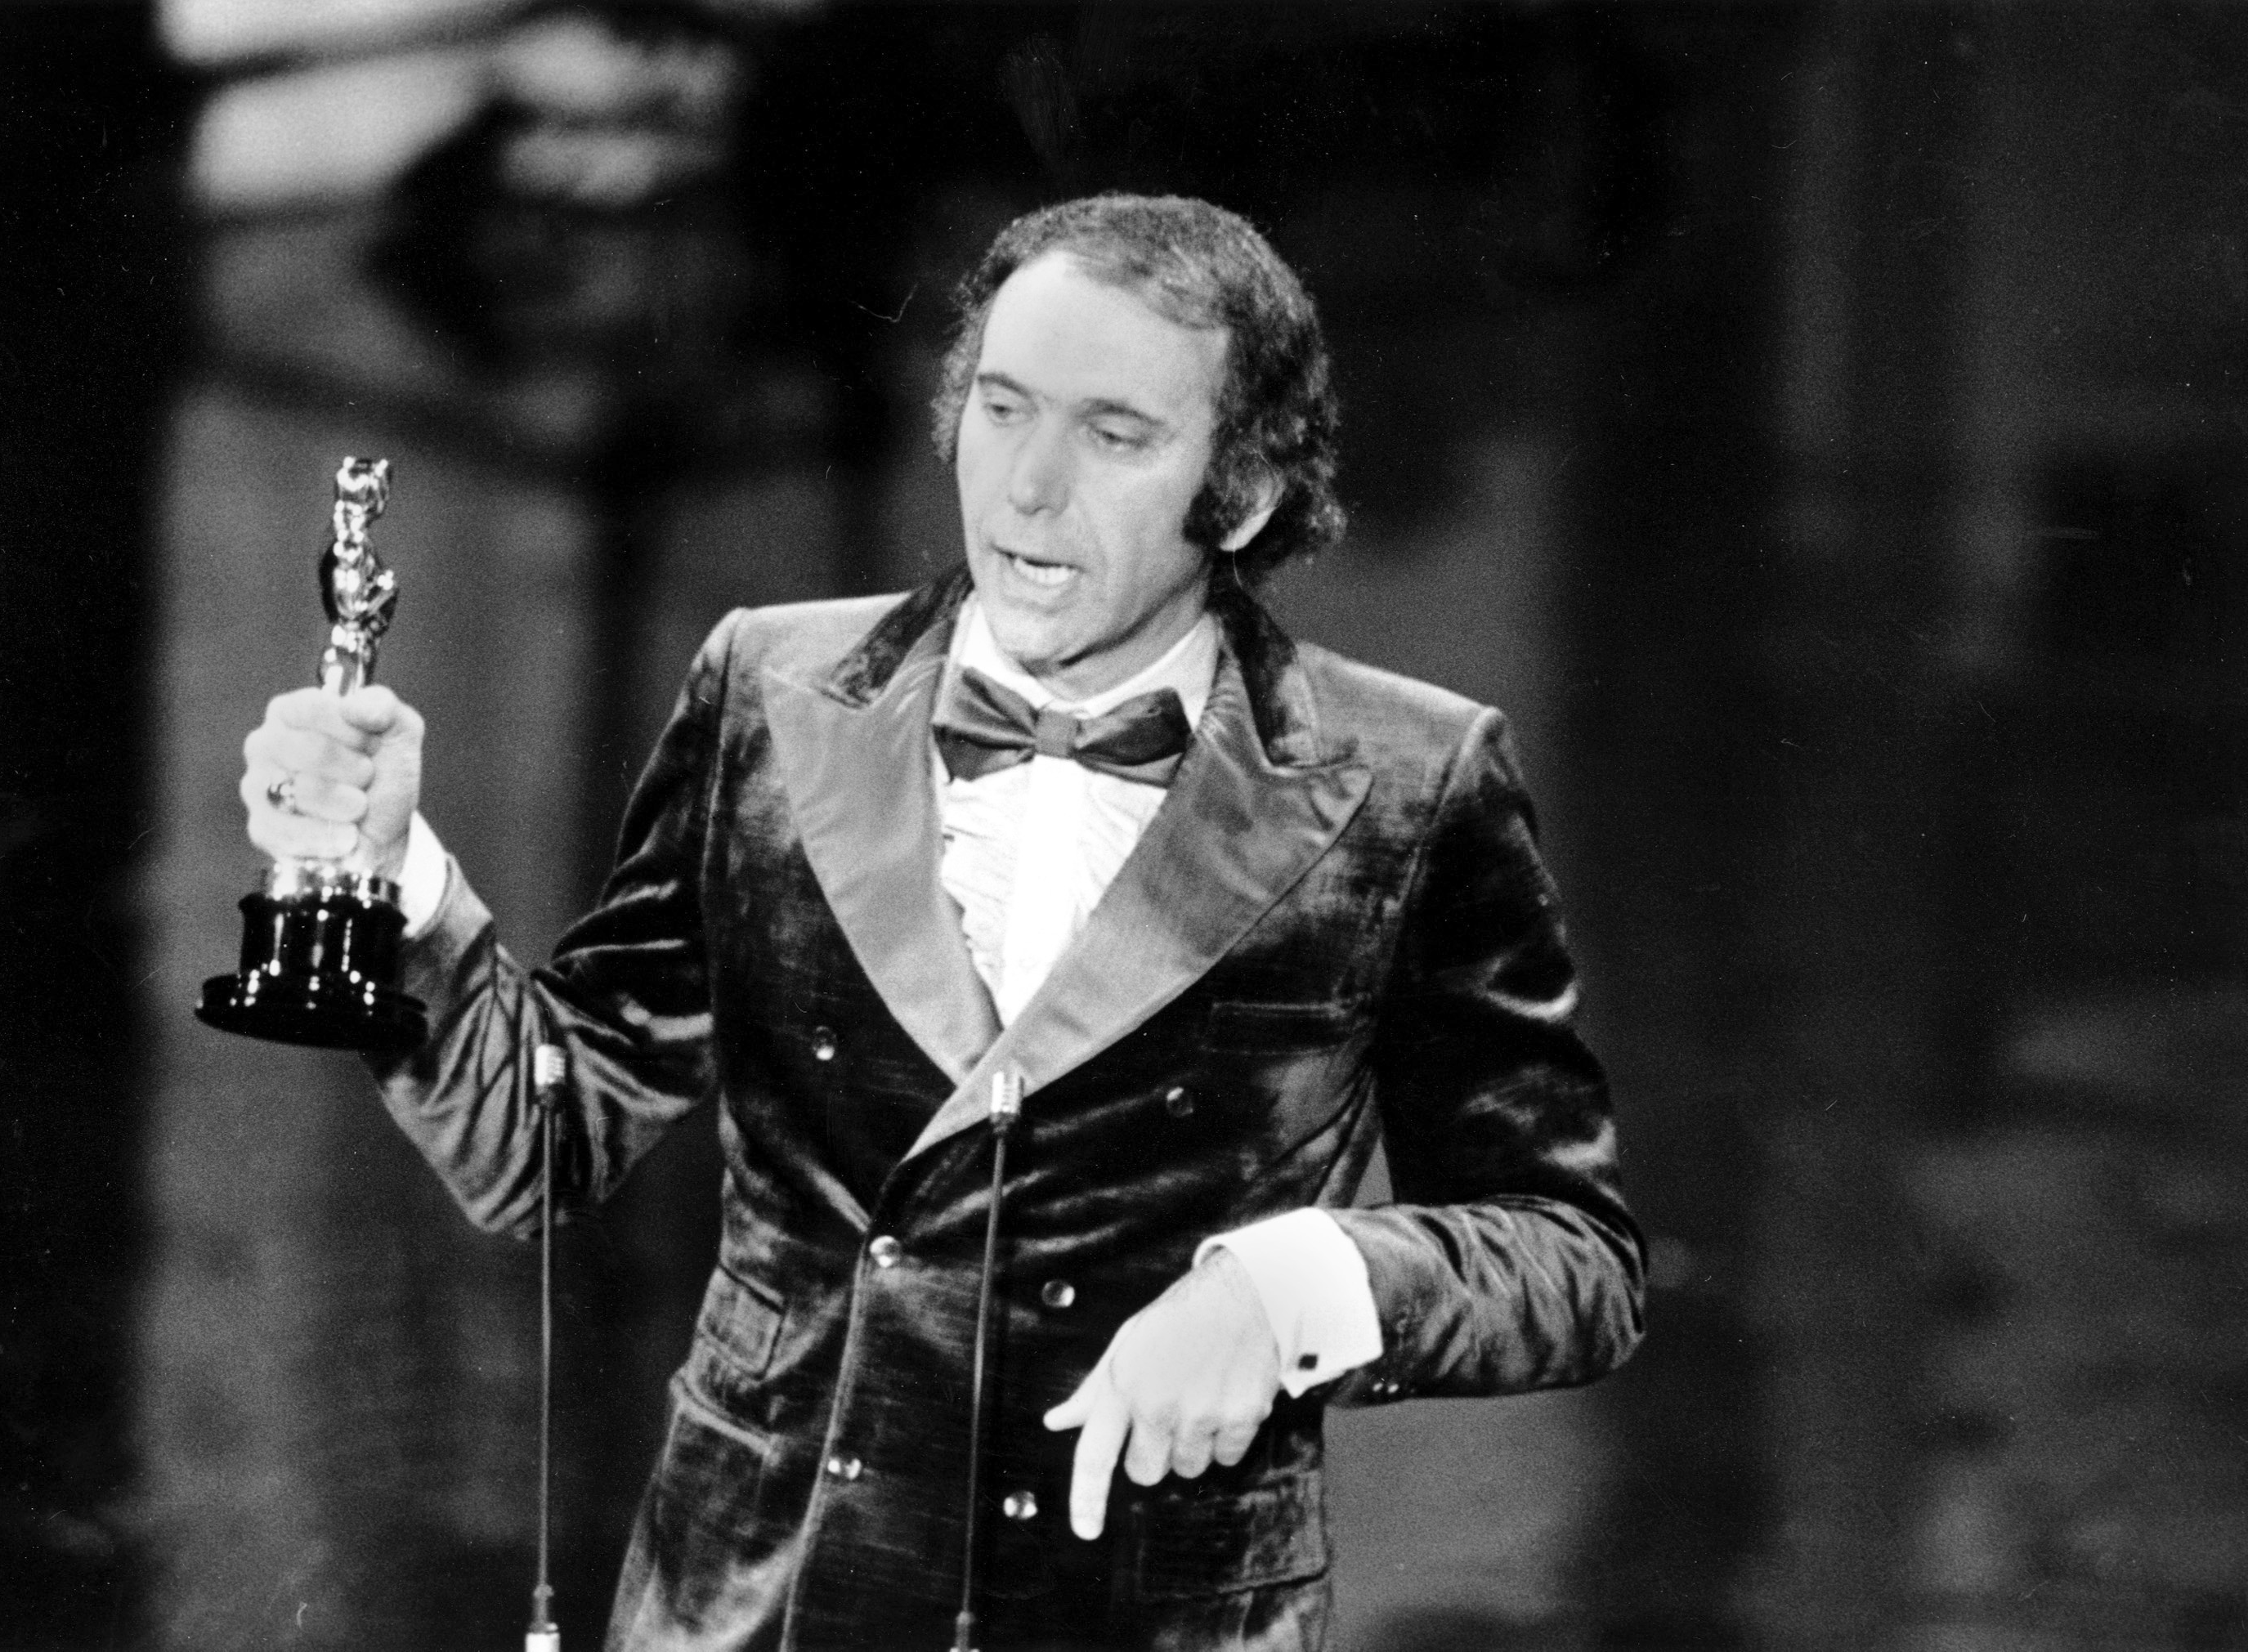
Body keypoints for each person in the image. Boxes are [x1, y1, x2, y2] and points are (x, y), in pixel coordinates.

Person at [239, 194, 1643, 1652]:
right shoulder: (766, 695)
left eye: (1113, 436)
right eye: (1002, 406)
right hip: (754, 1606)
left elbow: (1575, 1254)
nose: (1026, 489)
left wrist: (1297, 1281)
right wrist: (392, 876)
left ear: (1243, 496)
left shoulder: (1411, 781)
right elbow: (539, 1137)